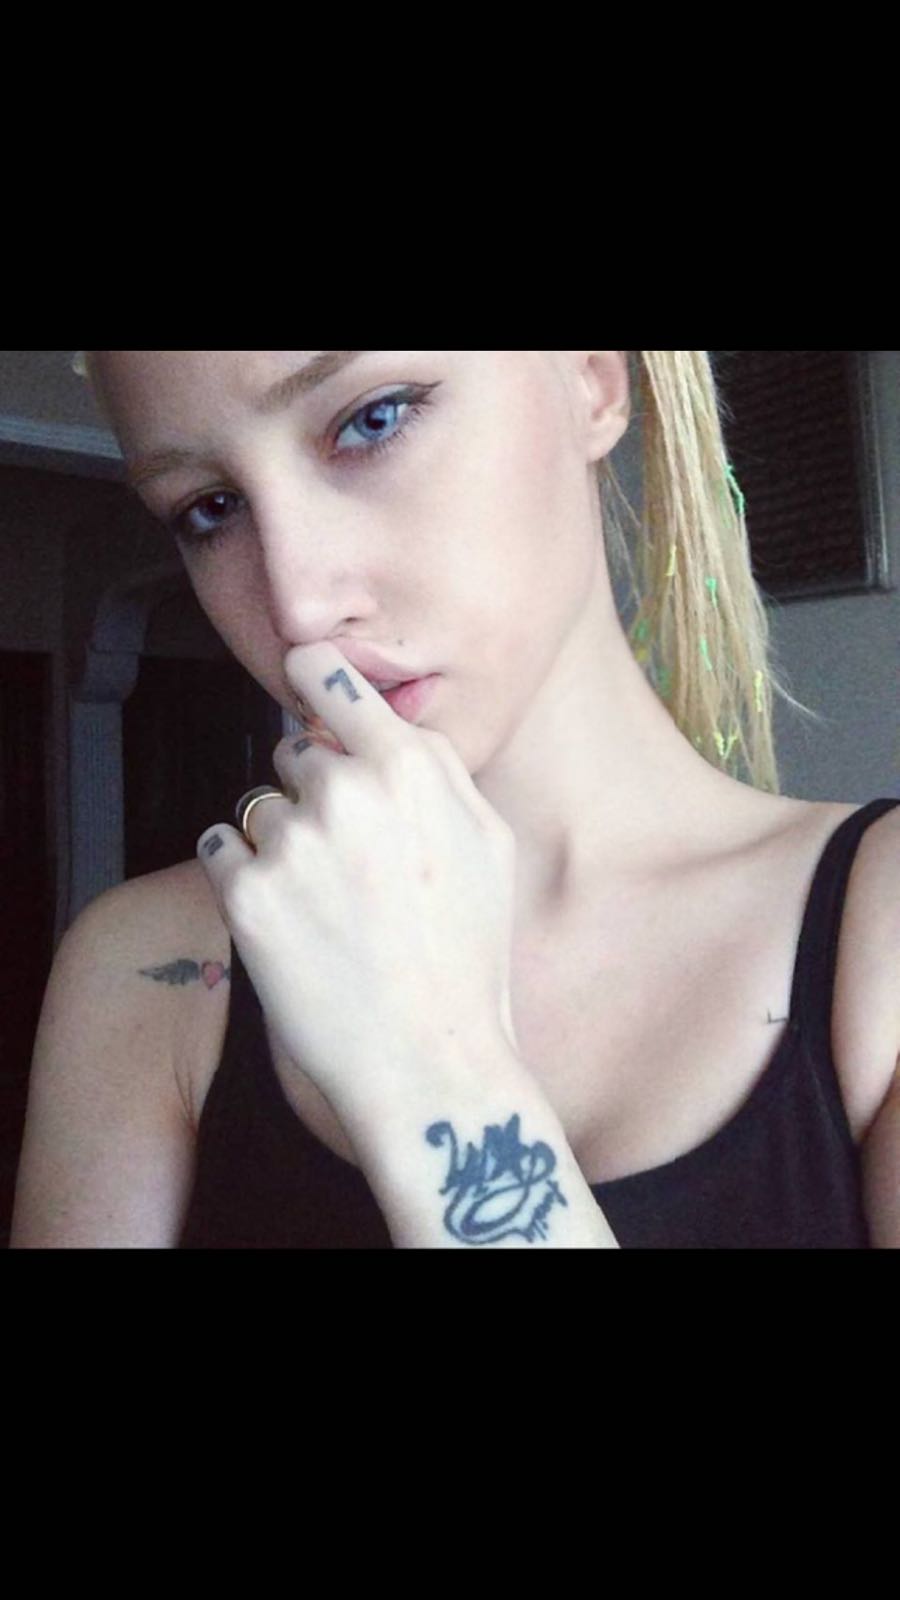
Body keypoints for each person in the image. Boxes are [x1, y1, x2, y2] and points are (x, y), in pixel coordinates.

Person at [10, 351, 900, 1249]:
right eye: (210, 508)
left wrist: (431, 1073)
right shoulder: (145, 970)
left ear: (592, 377)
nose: (299, 607)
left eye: (375, 419)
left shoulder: (881, 935)